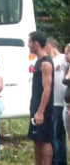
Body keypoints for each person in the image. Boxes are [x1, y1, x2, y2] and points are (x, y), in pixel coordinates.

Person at [27, 31, 54, 165]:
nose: (28, 45)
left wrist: (41, 111)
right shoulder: (38, 61)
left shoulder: (46, 63)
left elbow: (47, 88)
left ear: (36, 43)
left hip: (43, 109)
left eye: (30, 42)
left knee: (45, 140)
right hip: (35, 105)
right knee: (36, 138)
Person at [45, 37, 67, 165]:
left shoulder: (64, 58)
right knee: (55, 136)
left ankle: (59, 161)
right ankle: (59, 160)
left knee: (57, 136)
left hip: (62, 103)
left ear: (49, 46)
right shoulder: (48, 61)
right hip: (52, 103)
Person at [62, 43, 70, 141]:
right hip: (66, 105)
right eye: (65, 53)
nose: (65, 56)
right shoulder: (68, 66)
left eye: (67, 53)